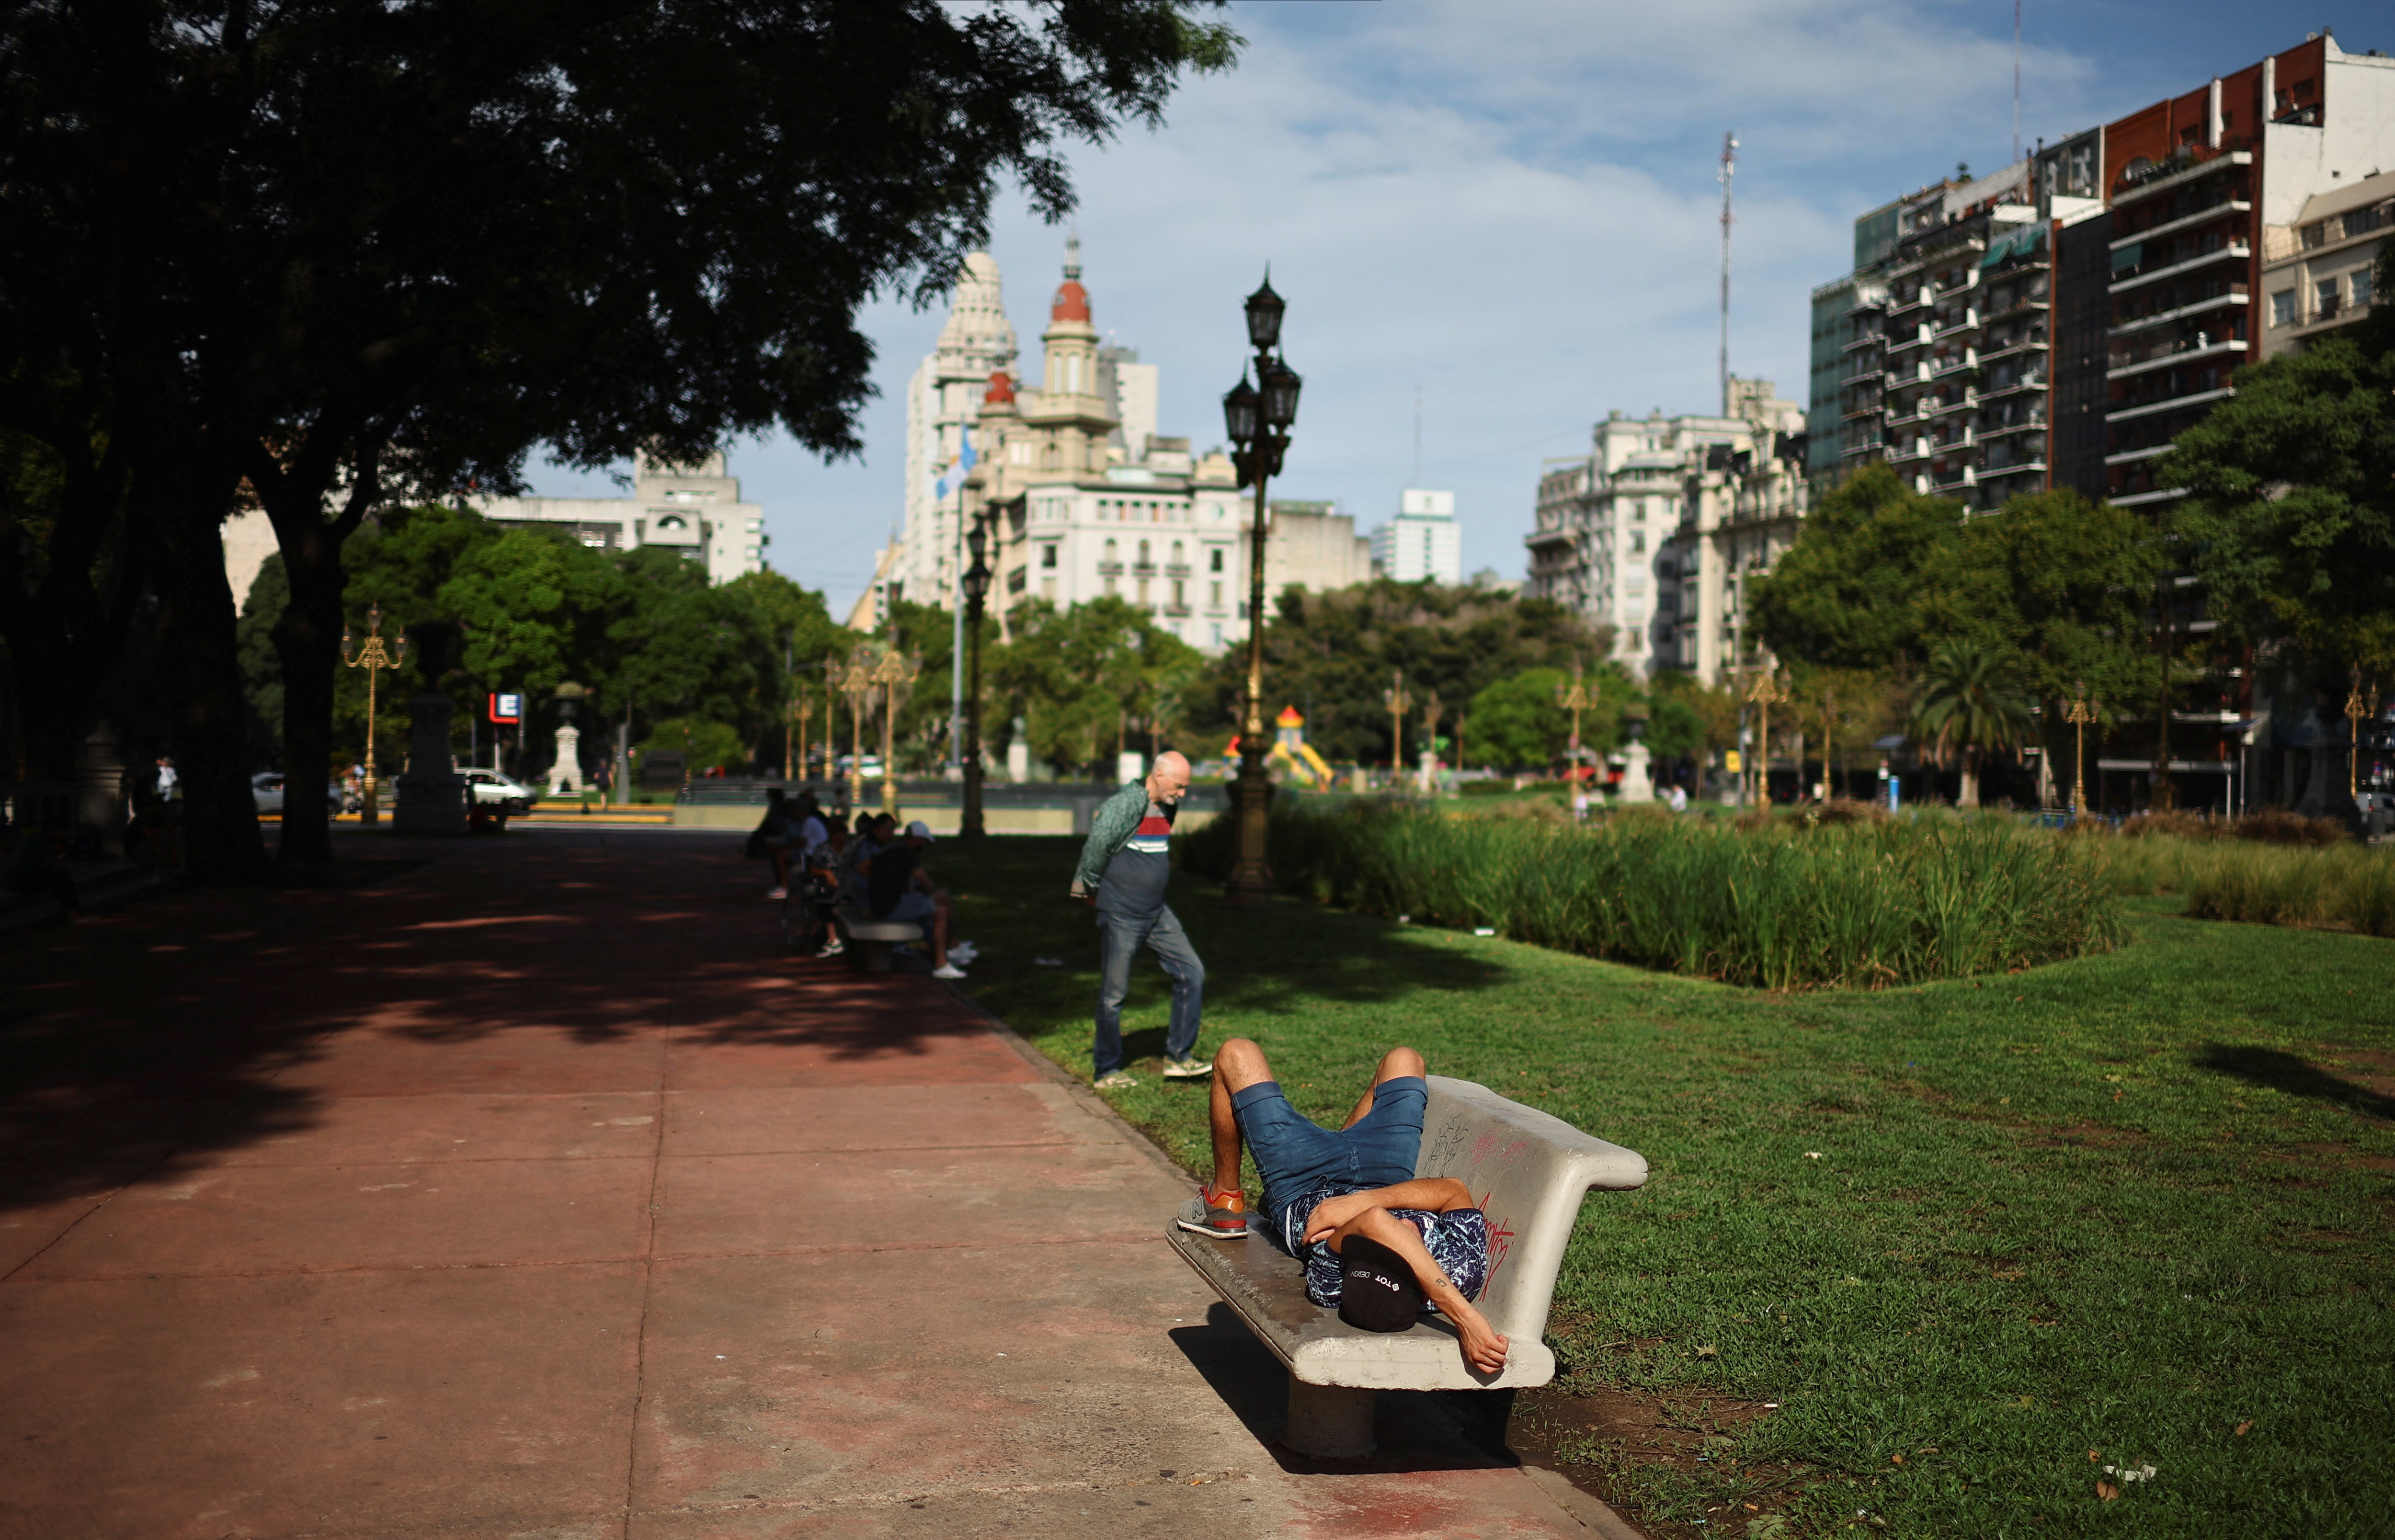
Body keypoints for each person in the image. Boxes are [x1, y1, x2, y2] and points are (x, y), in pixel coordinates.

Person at [1180, 1038, 1507, 1374]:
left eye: (1377, 1252)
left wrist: (1468, 1322)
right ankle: (1348, 1139)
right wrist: (1464, 1317)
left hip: (1301, 1179)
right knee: (1404, 1059)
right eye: (1399, 1258)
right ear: (1421, 1279)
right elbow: (1452, 1191)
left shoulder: (1331, 1284)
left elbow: (1377, 1222)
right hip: (1384, 1175)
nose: (1402, 1232)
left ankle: (1224, 1197)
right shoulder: (1459, 1273)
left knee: (1236, 1054)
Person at [1070, 750, 1208, 1089]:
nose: (1182, 794)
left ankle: (1179, 1057)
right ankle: (1107, 1070)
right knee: (1114, 995)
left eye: (1185, 787)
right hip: (1122, 913)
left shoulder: (1169, 804)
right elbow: (1097, 846)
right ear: (1159, 776)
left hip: (1157, 911)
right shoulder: (1125, 805)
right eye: (1179, 786)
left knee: (1192, 973)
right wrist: (1087, 887)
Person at [863, 817, 963, 979]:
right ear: (917, 840)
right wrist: (930, 893)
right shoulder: (907, 853)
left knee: (932, 909)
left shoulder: (891, 849)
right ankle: (948, 955)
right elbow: (923, 880)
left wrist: (880, 882)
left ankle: (948, 952)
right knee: (941, 908)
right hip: (891, 907)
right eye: (923, 842)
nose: (924, 846)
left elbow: (864, 867)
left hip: (881, 904)